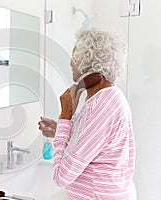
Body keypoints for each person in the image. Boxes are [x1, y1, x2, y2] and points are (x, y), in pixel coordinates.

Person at [38, 27, 135, 199]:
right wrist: (60, 130)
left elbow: (61, 176)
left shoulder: (103, 105)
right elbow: (93, 146)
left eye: (77, 58)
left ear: (95, 68)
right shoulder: (105, 99)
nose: (71, 64)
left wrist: (65, 116)